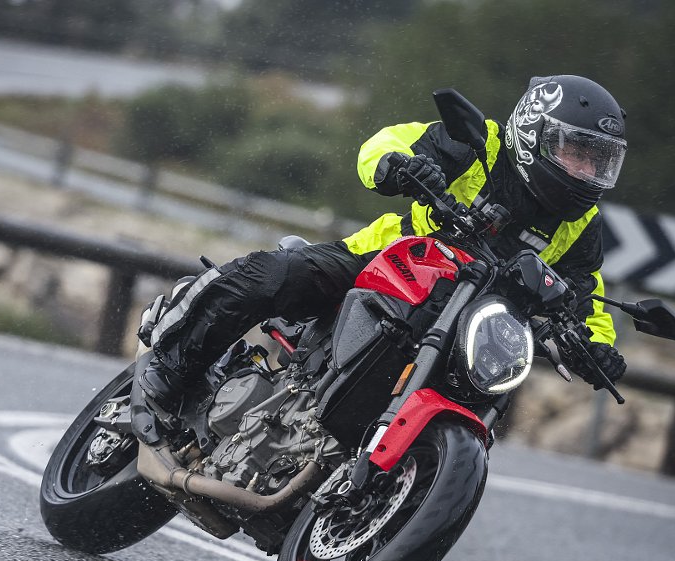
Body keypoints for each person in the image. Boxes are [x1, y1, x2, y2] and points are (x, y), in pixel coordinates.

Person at [140, 74, 628, 411]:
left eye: (598, 160)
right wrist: (401, 167)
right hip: (388, 262)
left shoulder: (581, 223)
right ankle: (171, 357)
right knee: (278, 275)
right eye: (577, 152)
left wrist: (597, 349)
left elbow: (586, 295)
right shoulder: (480, 143)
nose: (587, 170)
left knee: (484, 394)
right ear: (533, 133)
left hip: (471, 323)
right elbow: (386, 142)